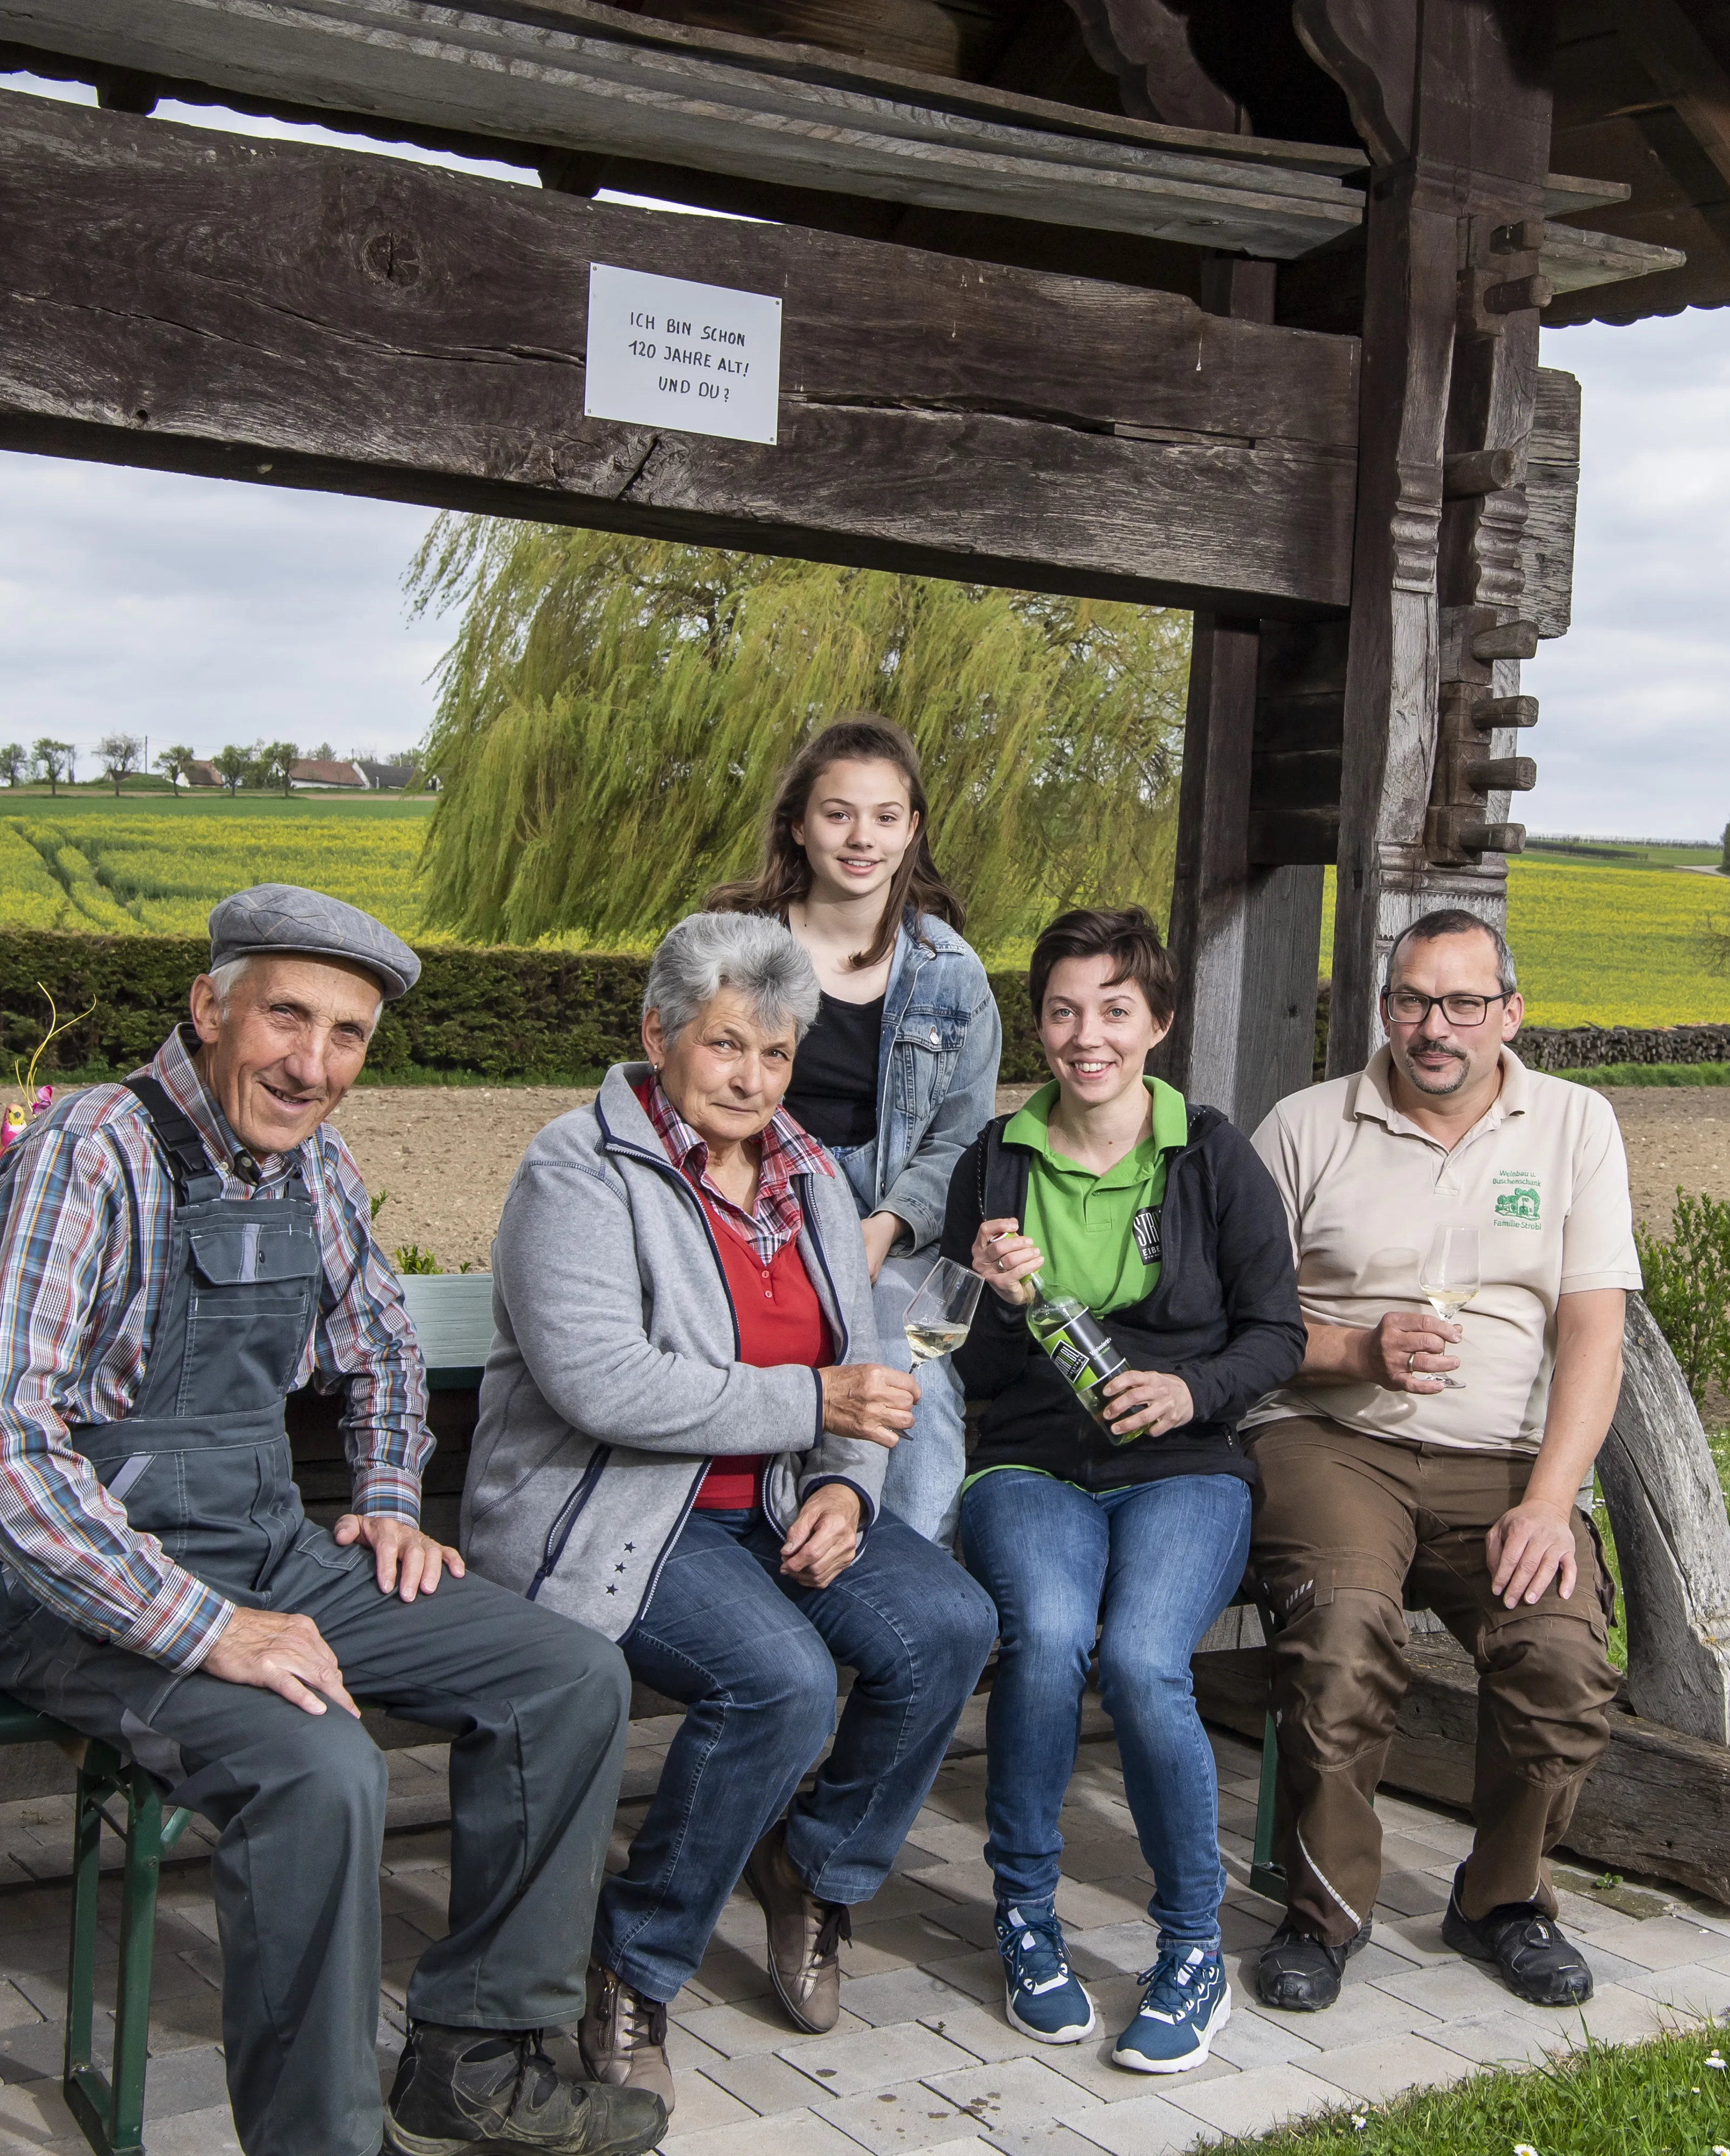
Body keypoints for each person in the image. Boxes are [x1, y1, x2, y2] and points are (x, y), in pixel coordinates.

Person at [0, 885, 654, 2156]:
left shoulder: (312, 1161)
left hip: (269, 1545)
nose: (313, 1063)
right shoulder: (85, 1154)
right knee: (325, 1770)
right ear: (210, 1005)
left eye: (349, 1035)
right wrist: (209, 1628)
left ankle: (472, 2058)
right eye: (286, 1015)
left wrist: (384, 1498)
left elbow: (381, 1345)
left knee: (569, 1674)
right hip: (80, 1589)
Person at [462, 911, 998, 2108]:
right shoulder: (577, 1167)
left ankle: (812, 1864)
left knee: (950, 1624)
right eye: (725, 1046)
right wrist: (812, 1401)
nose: (753, 1077)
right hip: (617, 1513)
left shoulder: (805, 1166)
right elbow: (605, 1380)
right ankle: (634, 1959)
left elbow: (864, 1348)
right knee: (783, 1681)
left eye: (776, 1052)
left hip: (776, 1497)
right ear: (658, 1033)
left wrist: (854, 1490)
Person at [1240, 908, 1637, 2014]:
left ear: (1510, 1011)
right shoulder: (1307, 1125)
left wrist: (1552, 1501)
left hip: (1507, 1458)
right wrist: (1357, 1347)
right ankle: (1323, 1912)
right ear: (1383, 1009)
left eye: (1465, 1002)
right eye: (1413, 1000)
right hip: (1334, 1438)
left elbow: (1594, 1334)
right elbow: (1247, 1323)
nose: (1436, 1026)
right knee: (1341, 1634)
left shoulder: (1575, 1125)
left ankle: (1501, 1899)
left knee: (1560, 1661)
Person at [942, 909, 1304, 2073]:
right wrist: (994, 1299)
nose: (1084, 1034)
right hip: (1035, 1459)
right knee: (1046, 1639)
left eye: (1112, 1008)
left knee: (1146, 1657)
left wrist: (1191, 1392)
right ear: (1037, 1023)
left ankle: (1191, 1948)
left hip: (1185, 1464)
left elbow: (1278, 1334)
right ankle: (1025, 1917)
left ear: (1157, 1021)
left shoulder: (1210, 1151)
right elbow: (974, 1367)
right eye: (1061, 1008)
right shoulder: (994, 1161)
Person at [709, 716, 1001, 1544]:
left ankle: (908, 1579)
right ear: (798, 824)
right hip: (749, 1213)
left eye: (884, 816)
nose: (861, 837)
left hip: (885, 1231)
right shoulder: (731, 951)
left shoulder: (952, 973)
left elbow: (957, 1141)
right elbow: (690, 1095)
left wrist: (884, 1226)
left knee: (914, 1383)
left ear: (912, 828)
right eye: (838, 814)